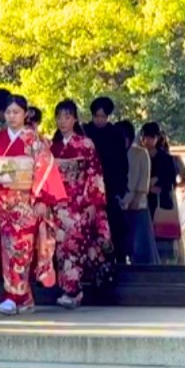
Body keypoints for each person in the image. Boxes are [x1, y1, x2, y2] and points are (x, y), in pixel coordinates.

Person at [0, 96, 67, 316]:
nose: (11, 116)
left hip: (26, 202)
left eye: (16, 112)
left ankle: (13, 296)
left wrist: (41, 199)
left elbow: (45, 168)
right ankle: (24, 297)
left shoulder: (35, 140)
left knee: (22, 250)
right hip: (3, 202)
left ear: (25, 114)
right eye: (8, 112)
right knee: (8, 250)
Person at [50, 101, 114, 309]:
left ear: (75, 119)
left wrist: (93, 202)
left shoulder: (85, 144)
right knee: (61, 248)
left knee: (75, 245)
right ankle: (69, 289)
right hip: (59, 204)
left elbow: (94, 175)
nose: (63, 122)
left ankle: (73, 290)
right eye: (59, 117)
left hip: (80, 203)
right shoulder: (54, 148)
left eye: (67, 117)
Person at [84, 97, 129, 264]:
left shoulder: (116, 134)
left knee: (113, 227)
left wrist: (120, 189)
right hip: (87, 189)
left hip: (110, 187)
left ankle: (116, 260)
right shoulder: (84, 132)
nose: (100, 120)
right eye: (97, 116)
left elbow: (122, 164)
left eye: (103, 116)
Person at [119, 120, 158, 265]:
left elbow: (144, 177)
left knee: (140, 245)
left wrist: (137, 197)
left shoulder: (141, 153)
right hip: (120, 201)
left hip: (138, 203)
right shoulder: (115, 153)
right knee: (123, 243)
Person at [141, 123, 181, 263]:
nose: (148, 141)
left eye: (151, 137)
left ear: (157, 138)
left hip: (161, 201)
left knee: (162, 237)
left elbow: (171, 180)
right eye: (145, 137)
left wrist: (157, 181)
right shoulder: (139, 156)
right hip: (143, 201)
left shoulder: (166, 158)